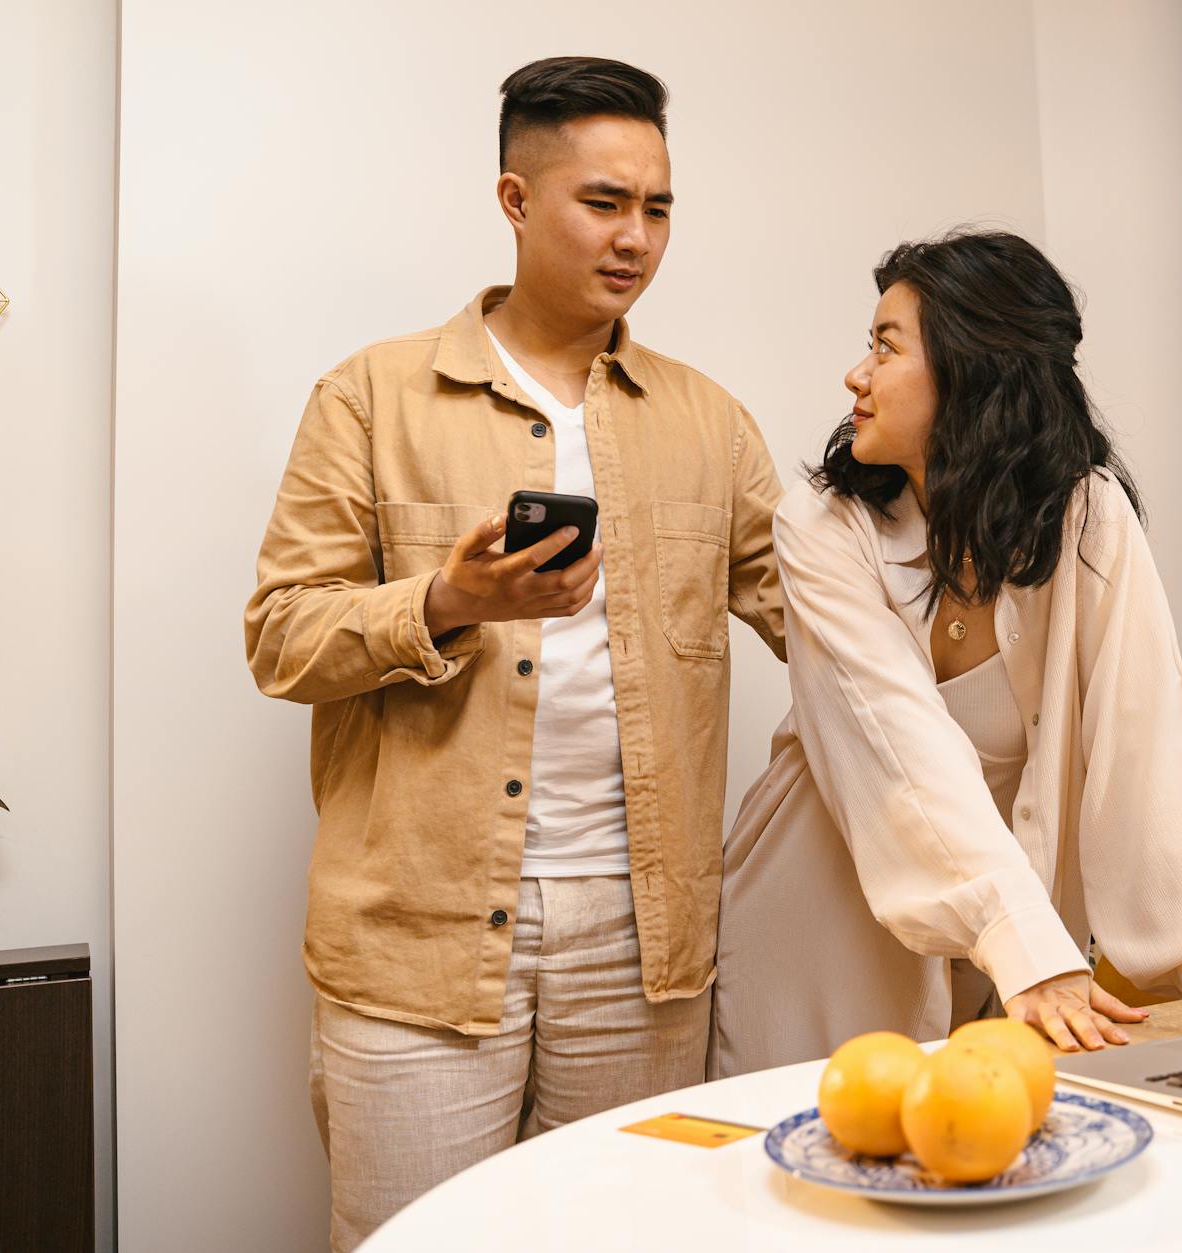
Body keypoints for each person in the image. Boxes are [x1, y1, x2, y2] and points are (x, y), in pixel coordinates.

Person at [244, 56, 785, 1250]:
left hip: (647, 942)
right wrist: (446, 597)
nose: (634, 237)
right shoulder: (371, 397)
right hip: (417, 941)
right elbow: (280, 636)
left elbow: (824, 622)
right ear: (515, 198)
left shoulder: (710, 420)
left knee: (628, 1238)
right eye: (603, 202)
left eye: (656, 209)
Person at [711, 230, 1182, 1077]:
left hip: (1005, 953)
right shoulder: (820, 526)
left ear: (970, 370)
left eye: (885, 346)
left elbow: (1147, 733)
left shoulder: (1089, 517)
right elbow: (900, 747)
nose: (856, 374)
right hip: (816, 923)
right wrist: (1021, 939)